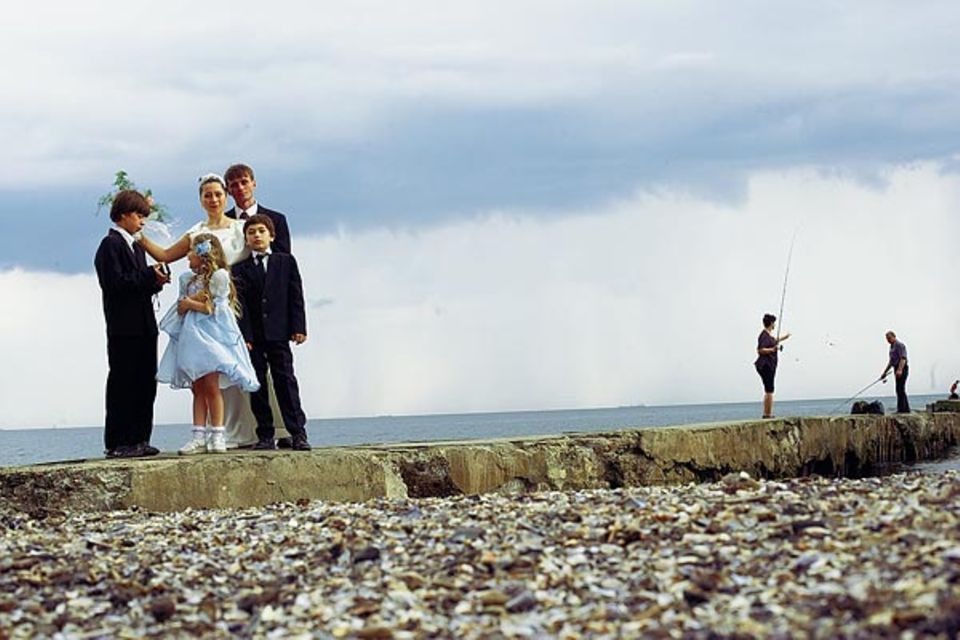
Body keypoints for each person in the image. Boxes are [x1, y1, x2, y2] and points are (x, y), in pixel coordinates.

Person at [139, 173, 266, 448]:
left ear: (226, 196)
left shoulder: (240, 227)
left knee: (235, 371)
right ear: (200, 199)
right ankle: (210, 434)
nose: (213, 199)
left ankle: (246, 433)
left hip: (235, 307)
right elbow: (163, 255)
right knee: (207, 376)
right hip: (203, 314)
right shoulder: (196, 234)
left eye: (218, 194)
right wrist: (139, 234)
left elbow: (260, 253)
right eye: (207, 195)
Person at [157, 234, 260, 454]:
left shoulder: (219, 277)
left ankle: (218, 434)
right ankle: (198, 436)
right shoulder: (187, 279)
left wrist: (192, 304)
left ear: (203, 255)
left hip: (211, 337)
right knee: (197, 387)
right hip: (191, 337)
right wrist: (189, 304)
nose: (187, 256)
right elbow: (181, 307)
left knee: (212, 386)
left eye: (191, 252)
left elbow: (216, 308)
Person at [94, 190, 170, 458]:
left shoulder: (136, 247)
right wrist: (149, 275)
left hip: (144, 325)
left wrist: (155, 281)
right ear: (123, 214)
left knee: (145, 382)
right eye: (139, 215)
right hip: (123, 328)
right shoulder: (109, 245)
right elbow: (116, 284)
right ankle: (118, 442)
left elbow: (137, 283)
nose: (142, 221)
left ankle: (140, 438)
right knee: (123, 383)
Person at [233, 214, 311, 450]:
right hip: (253, 337)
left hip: (279, 332)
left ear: (271, 235)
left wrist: (298, 327)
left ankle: (298, 432)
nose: (256, 235)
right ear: (246, 239)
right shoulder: (239, 269)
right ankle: (265, 434)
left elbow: (295, 295)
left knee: (285, 382)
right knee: (257, 385)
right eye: (251, 232)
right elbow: (240, 307)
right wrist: (245, 336)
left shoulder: (285, 261)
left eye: (261, 231)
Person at [224, 163, 291, 255]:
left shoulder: (276, 220)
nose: (240, 187)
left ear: (254, 184)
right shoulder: (224, 222)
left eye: (244, 182)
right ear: (228, 191)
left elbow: (284, 259)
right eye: (234, 185)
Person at [754, 313, 791, 419]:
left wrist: (785, 337)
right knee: (770, 390)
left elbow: (774, 340)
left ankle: (767, 413)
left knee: (768, 390)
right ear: (771, 323)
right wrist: (772, 350)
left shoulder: (768, 335)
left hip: (768, 365)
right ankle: (768, 414)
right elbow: (760, 350)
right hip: (765, 365)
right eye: (774, 323)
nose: (775, 325)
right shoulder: (764, 335)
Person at [881, 331, 910, 413]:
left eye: (889, 338)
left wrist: (900, 369)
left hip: (902, 367)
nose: (888, 340)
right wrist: (884, 372)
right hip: (895, 368)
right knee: (898, 389)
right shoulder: (891, 347)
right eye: (887, 339)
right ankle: (903, 409)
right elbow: (891, 361)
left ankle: (903, 410)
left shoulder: (900, 345)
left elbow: (903, 358)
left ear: (894, 336)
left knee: (900, 388)